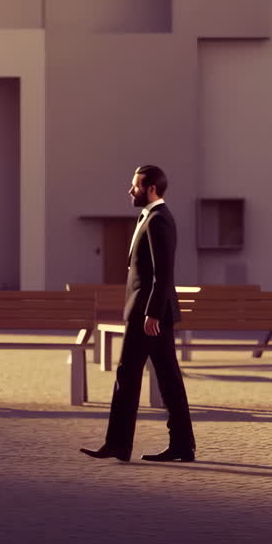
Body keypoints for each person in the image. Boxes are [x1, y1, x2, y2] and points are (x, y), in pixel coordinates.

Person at [81, 165, 195, 463]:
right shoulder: (151, 218)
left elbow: (163, 273)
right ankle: (182, 446)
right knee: (167, 379)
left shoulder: (159, 221)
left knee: (128, 376)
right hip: (149, 312)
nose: (130, 191)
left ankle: (119, 444)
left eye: (136, 186)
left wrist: (152, 313)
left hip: (149, 315)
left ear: (151, 189)